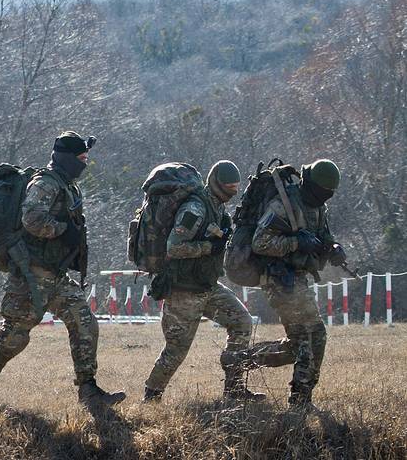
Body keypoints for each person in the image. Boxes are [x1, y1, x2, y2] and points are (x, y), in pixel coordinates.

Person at [0, 132, 125, 409]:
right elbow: (32, 219)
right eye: (81, 159)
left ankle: (88, 390)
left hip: (55, 275)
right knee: (15, 335)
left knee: (84, 322)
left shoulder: (67, 185)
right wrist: (63, 231)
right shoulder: (45, 183)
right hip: (31, 274)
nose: (85, 164)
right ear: (67, 158)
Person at [143, 160, 263, 402]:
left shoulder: (218, 208)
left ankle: (234, 387)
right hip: (183, 290)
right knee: (176, 351)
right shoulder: (195, 209)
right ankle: (151, 396)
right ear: (217, 183)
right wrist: (209, 247)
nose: (233, 191)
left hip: (207, 287)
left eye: (236, 187)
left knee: (241, 323)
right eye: (229, 186)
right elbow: (173, 248)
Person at [246, 159, 345, 408]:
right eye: (321, 194)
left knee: (299, 344)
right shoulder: (282, 206)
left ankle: (240, 359)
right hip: (278, 279)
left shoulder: (318, 208)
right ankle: (300, 400)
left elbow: (323, 235)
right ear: (309, 184)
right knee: (312, 337)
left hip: (297, 278)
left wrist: (333, 248)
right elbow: (260, 243)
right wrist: (296, 243)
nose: (324, 199)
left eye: (328, 196)